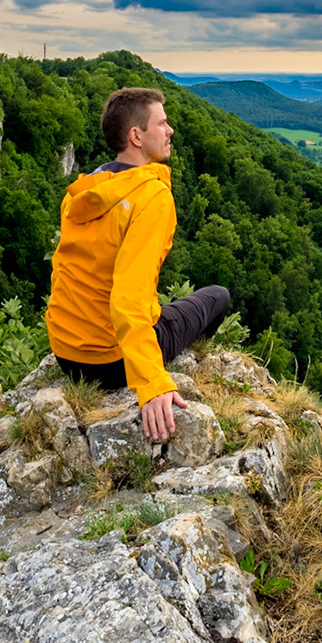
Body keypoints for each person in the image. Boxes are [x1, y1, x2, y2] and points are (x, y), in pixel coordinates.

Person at [45, 87, 228, 442]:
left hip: (67, 355)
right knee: (217, 297)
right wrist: (151, 381)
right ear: (136, 136)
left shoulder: (85, 192)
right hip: (111, 364)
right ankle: (196, 362)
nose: (170, 129)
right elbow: (128, 296)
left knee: (162, 306)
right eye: (161, 123)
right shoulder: (152, 197)